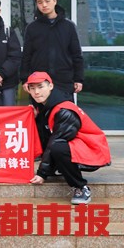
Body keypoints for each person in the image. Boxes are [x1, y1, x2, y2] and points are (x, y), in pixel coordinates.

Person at [27, 72, 110, 205]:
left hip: (93, 149)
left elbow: (56, 140)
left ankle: (81, 187)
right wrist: (36, 119)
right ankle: (55, 168)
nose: (36, 92)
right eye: (32, 88)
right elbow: (47, 135)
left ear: (50, 86)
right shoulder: (45, 106)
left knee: (58, 147)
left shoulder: (64, 110)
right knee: (55, 143)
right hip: (77, 144)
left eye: (40, 87)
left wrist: (42, 173)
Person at [21, 0, 84, 102]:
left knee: (64, 111)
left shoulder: (68, 26)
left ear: (55, 1)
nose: (44, 5)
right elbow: (26, 56)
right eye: (40, 2)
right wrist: (25, 79)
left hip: (64, 80)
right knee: (41, 112)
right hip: (39, 82)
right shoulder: (32, 28)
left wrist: (78, 79)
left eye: (47, 1)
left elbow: (76, 54)